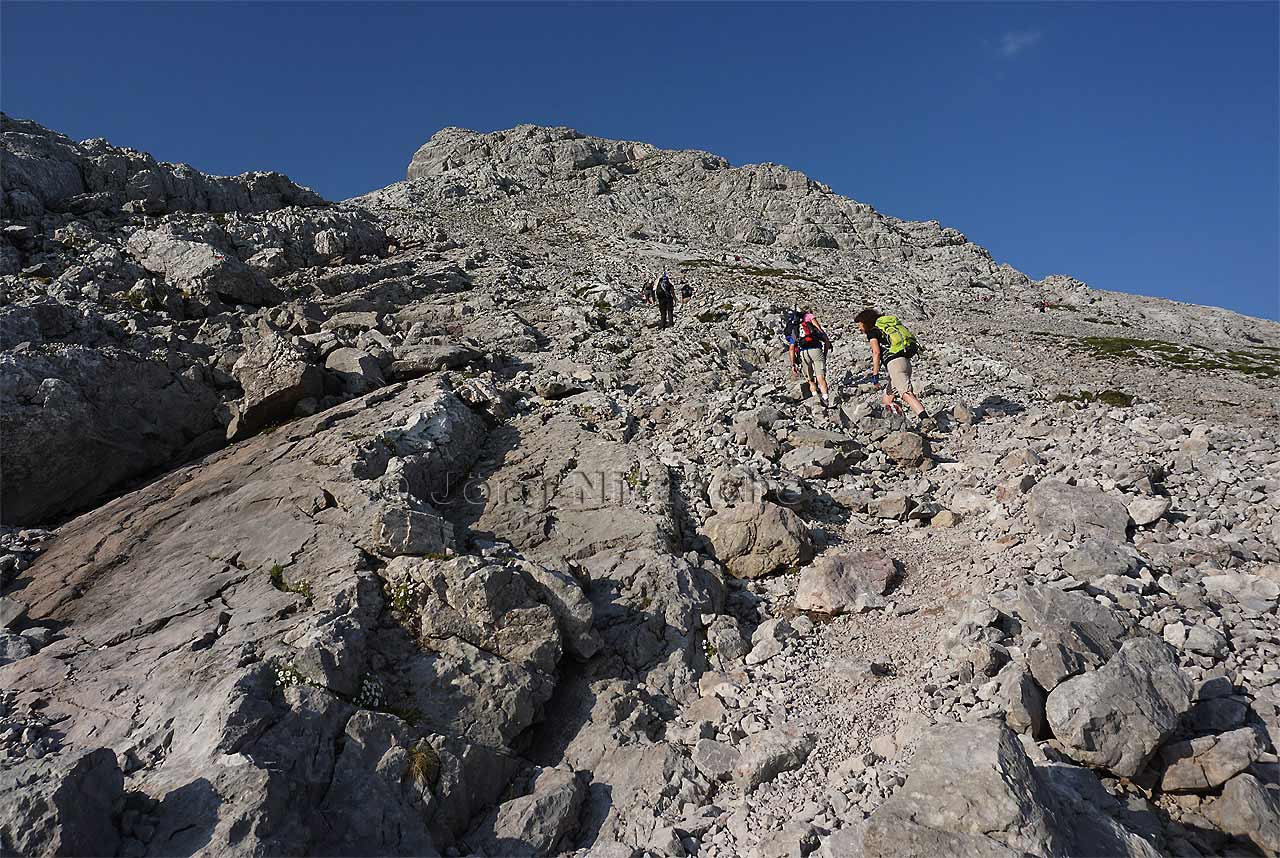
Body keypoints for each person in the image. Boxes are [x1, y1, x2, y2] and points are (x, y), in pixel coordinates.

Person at [854, 308, 933, 428]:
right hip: (904, 362)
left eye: (860, 325)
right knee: (887, 398)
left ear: (865, 322)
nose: (859, 328)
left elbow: (876, 353)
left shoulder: (872, 332)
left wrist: (875, 375)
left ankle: (926, 420)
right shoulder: (883, 330)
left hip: (895, 364)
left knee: (906, 393)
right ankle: (898, 423)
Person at [784, 308, 832, 408]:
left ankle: (816, 400)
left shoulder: (795, 327)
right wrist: (825, 353)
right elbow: (822, 334)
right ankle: (826, 398)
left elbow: (791, 348)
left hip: (803, 353)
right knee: (821, 377)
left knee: (810, 379)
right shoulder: (809, 317)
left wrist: (793, 364)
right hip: (816, 350)